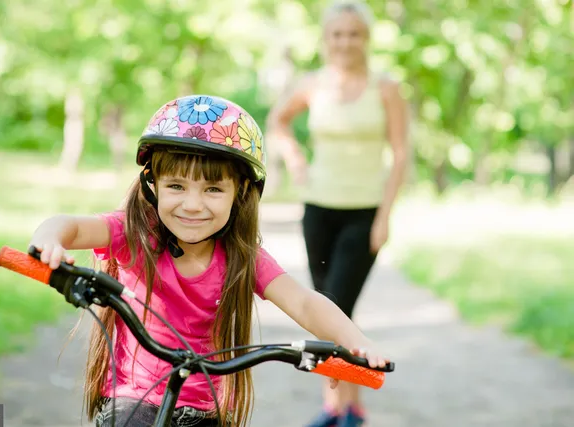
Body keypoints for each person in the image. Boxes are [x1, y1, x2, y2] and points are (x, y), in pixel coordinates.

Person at [28, 94, 390, 427]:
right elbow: (71, 227)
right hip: (133, 401)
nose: (192, 204)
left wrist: (356, 341)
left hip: (208, 411)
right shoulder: (134, 232)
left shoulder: (240, 257)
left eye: (213, 189)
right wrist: (49, 241)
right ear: (152, 183)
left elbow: (304, 302)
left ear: (241, 192)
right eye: (176, 186)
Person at [266, 1, 410, 426]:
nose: (345, 41)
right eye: (337, 34)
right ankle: (351, 406)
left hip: (363, 212)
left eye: (354, 34)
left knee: (336, 306)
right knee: (329, 311)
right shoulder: (312, 84)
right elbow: (278, 121)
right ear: (326, 39)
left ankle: (336, 409)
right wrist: (294, 159)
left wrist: (385, 216)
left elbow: (400, 153)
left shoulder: (386, 88)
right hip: (318, 210)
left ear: (366, 38)